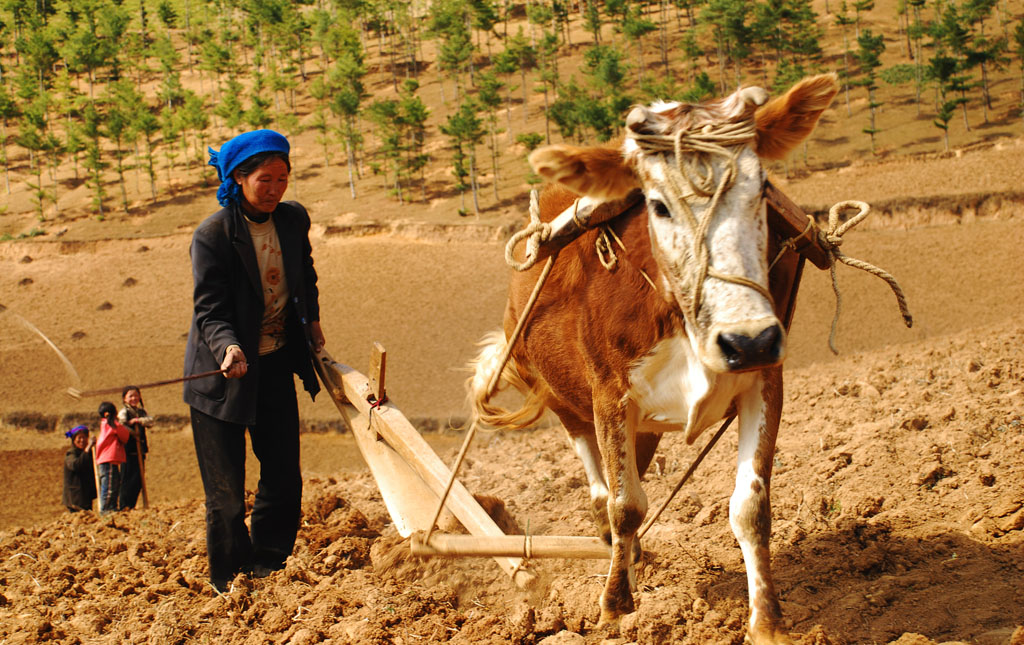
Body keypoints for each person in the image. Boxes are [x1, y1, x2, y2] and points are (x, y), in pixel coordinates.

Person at [183, 129, 325, 593]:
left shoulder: (292, 220)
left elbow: (306, 278)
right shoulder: (213, 236)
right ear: (238, 179)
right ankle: (229, 579)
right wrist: (229, 347)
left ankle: (270, 563)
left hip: (275, 366)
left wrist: (313, 326)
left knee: (284, 476)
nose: (276, 189)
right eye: (266, 179)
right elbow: (210, 309)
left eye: (283, 178)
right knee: (225, 497)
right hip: (222, 378)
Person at [118, 385, 154, 510]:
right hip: (128, 451)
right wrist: (132, 431)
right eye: (130, 396)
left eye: (136, 395)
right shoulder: (124, 412)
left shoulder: (141, 412)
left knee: (138, 480)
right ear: (124, 399)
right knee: (126, 479)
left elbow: (150, 422)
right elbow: (120, 426)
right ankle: (124, 506)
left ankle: (132, 505)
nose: (134, 398)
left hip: (140, 450)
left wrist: (137, 421)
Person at [95, 402, 130, 514]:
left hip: (109, 459)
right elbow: (125, 436)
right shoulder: (112, 424)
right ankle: (106, 508)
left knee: (114, 483)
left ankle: (112, 506)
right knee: (110, 485)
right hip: (108, 459)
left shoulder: (104, 424)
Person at [62, 425, 96, 512]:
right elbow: (76, 465)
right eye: (79, 438)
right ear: (74, 440)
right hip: (75, 497)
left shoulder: (88, 453)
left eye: (84, 437)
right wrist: (88, 448)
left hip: (85, 495)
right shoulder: (71, 454)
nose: (82, 440)